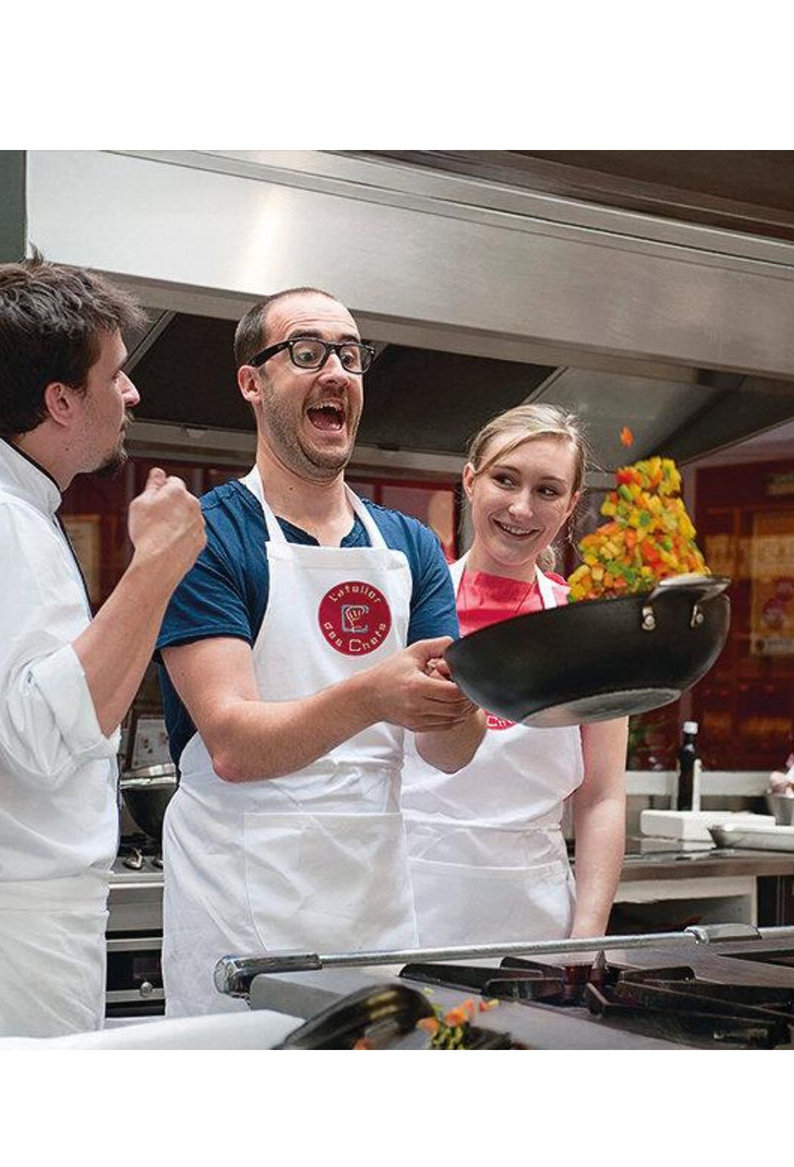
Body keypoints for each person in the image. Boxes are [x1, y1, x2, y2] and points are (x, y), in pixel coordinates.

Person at [0, 256, 205, 1036]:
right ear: (60, 400)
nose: (131, 393)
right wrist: (155, 569)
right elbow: (44, 735)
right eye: (115, 374)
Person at [156, 286, 486, 1015]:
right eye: (306, 353)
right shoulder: (207, 536)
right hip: (239, 914)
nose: (334, 370)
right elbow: (234, 745)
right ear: (253, 381)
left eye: (350, 355)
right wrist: (374, 695)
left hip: (372, 918)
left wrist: (475, 698)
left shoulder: (411, 547)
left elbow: (449, 753)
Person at [400, 403, 627, 945]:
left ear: (571, 505)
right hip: (406, 909)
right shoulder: (408, 609)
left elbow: (602, 797)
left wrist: (587, 939)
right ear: (471, 482)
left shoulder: (588, 633)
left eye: (547, 491)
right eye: (506, 480)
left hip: (538, 923)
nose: (522, 508)